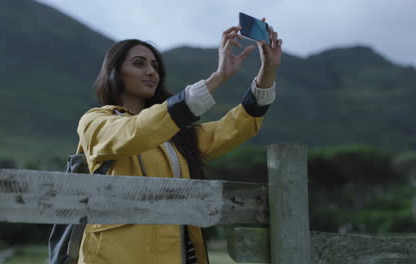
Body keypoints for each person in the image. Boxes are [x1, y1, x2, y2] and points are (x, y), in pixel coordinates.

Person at [76, 23, 281, 264]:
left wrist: (267, 71)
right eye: (139, 63)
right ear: (115, 72)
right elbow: (136, 131)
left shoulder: (176, 137)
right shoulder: (95, 122)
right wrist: (218, 77)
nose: (151, 71)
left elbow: (233, 128)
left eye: (155, 66)